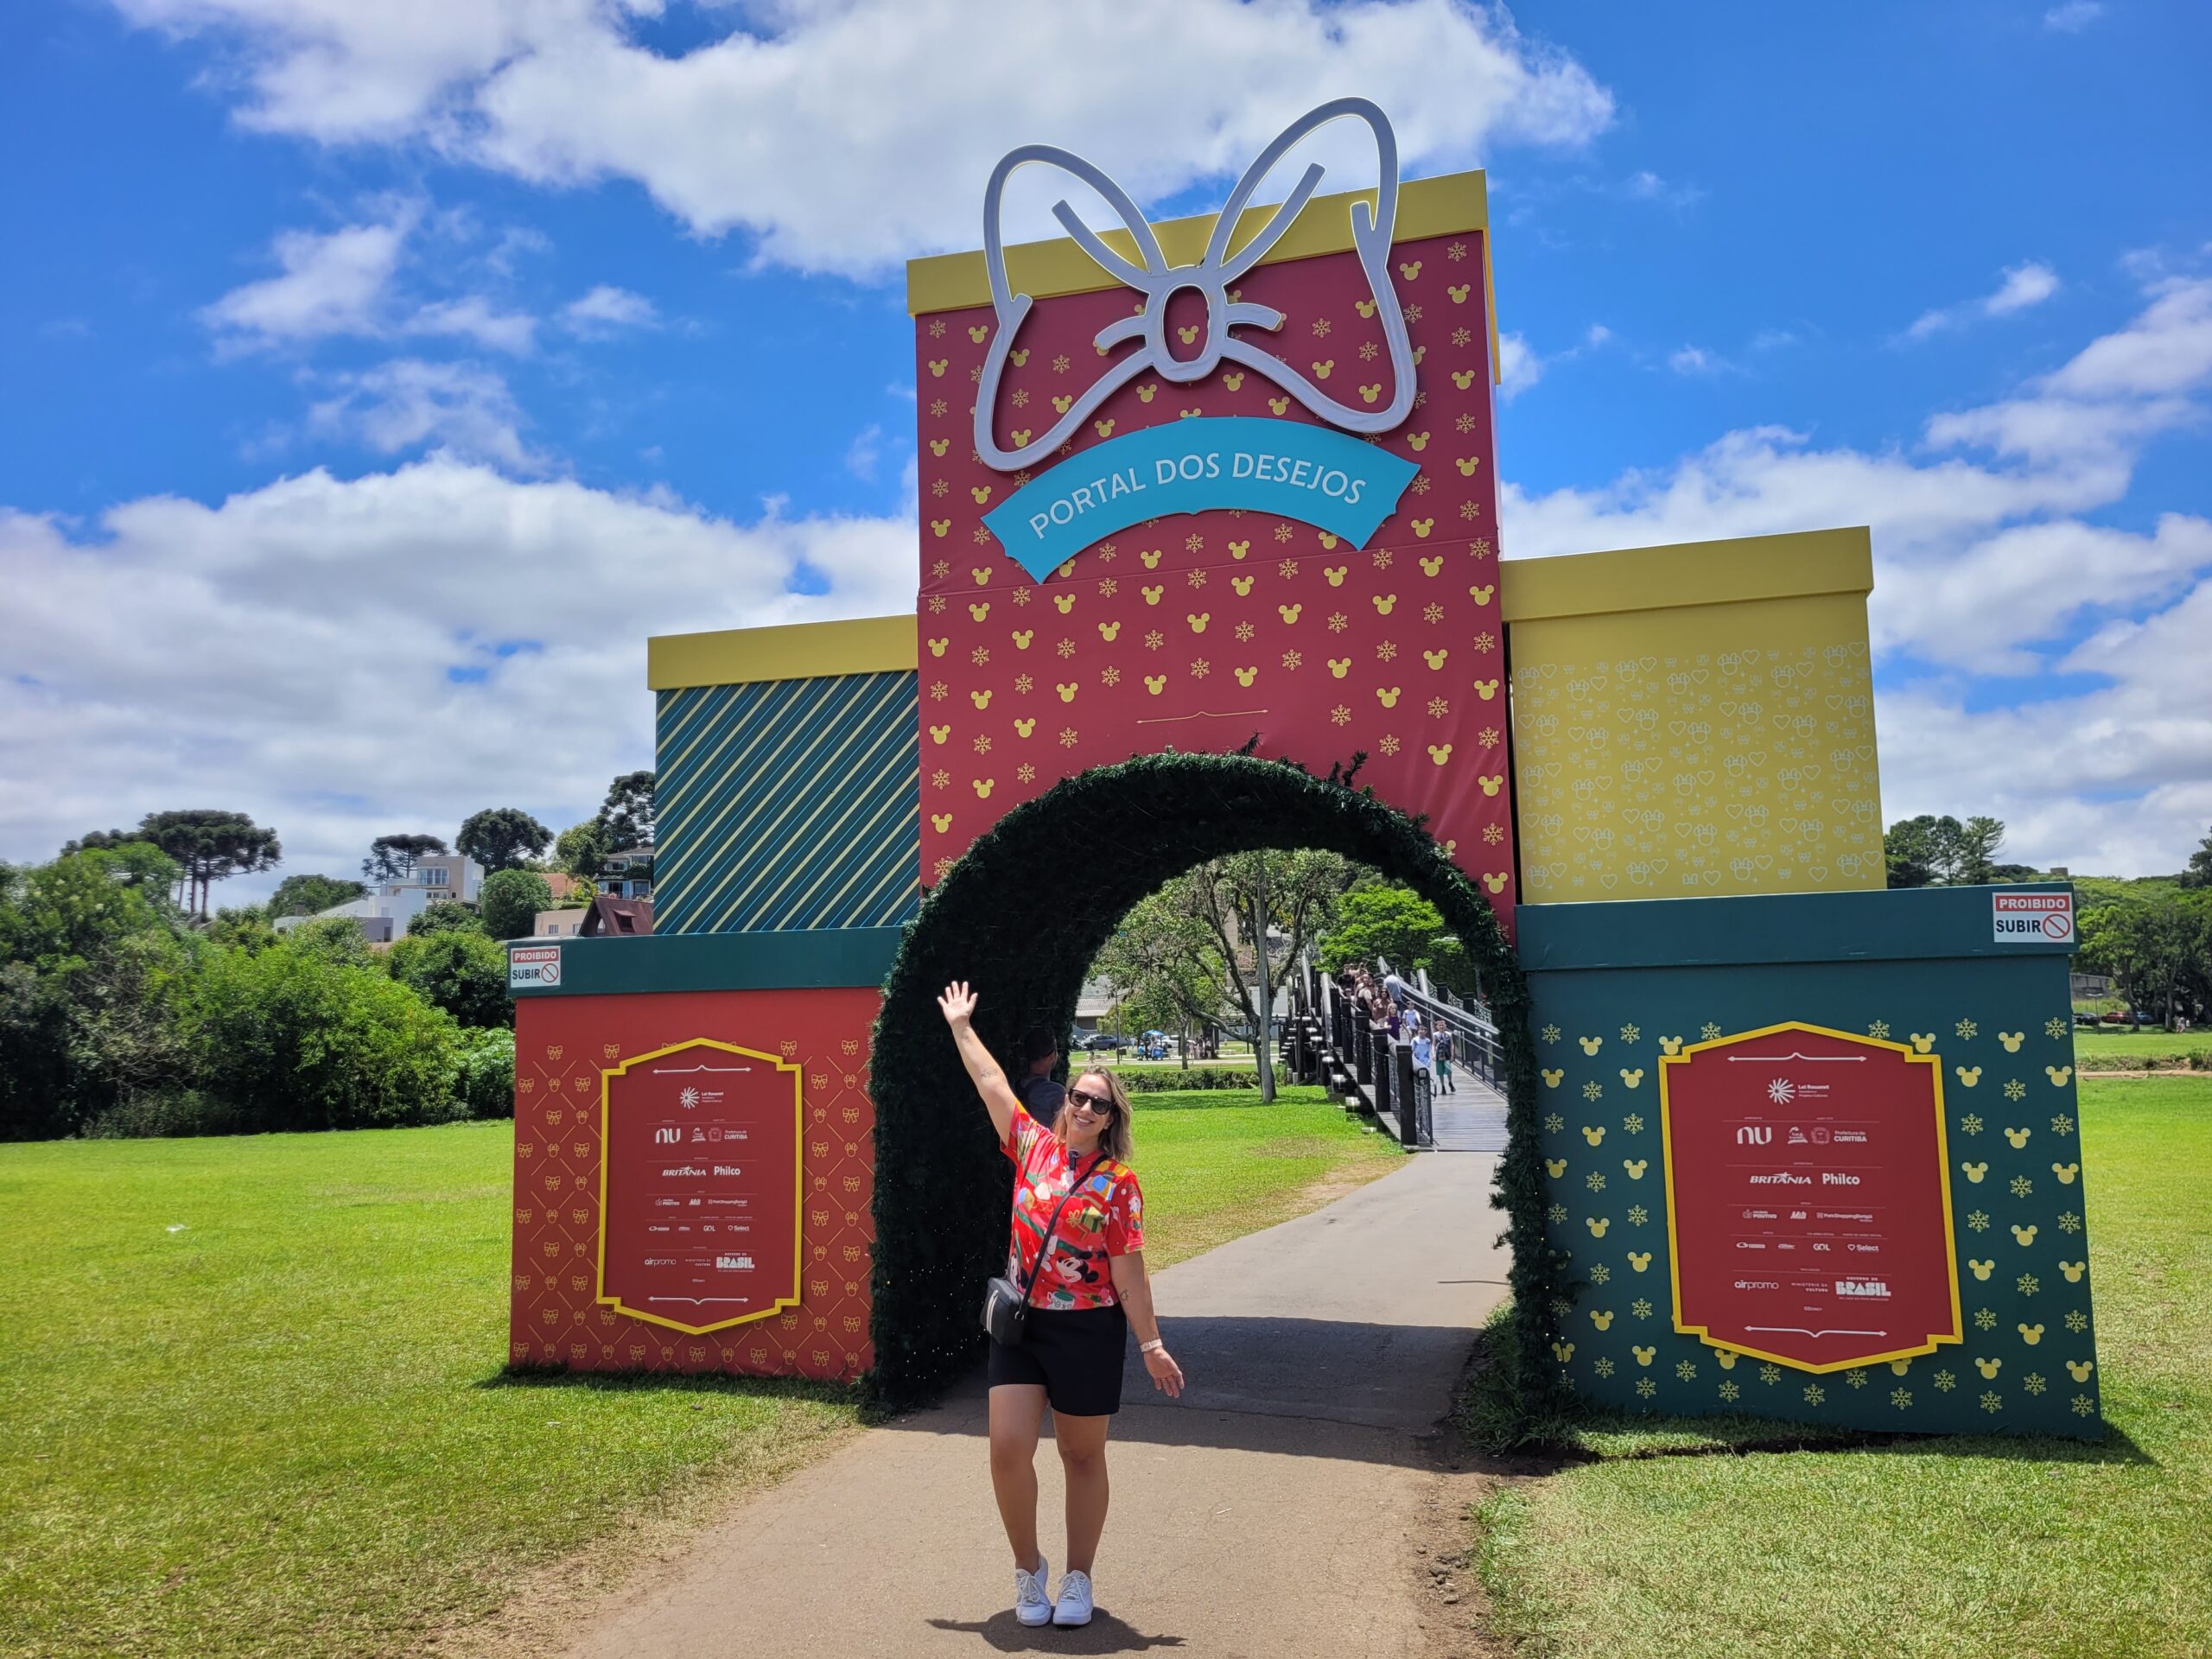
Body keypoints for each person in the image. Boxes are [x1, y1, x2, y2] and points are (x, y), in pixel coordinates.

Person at [938, 980, 1185, 1630]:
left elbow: (1128, 1269)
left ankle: (1079, 1577)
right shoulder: (1031, 1147)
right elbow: (993, 1083)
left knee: (1081, 1454)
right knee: (1006, 1448)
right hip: (1022, 1326)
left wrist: (1151, 1342)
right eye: (1078, 1095)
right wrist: (963, 1027)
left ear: (1111, 1119)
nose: (1082, 1107)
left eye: (1097, 1104)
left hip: (1087, 1331)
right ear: (1065, 1099)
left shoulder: (1117, 1185)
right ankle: (1029, 1570)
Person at [1014, 1025, 1065, 1129]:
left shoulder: (1011, 1087)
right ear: (1052, 1056)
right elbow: (1064, 1132)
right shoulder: (1057, 1093)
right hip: (1046, 1145)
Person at [1434, 1023, 1457, 1094]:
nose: (1441, 1026)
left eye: (1443, 1025)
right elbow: (1433, 1044)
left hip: (1447, 1054)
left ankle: (1450, 1082)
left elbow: (1452, 1044)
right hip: (1439, 1054)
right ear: (1437, 1027)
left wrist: (1452, 1054)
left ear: (1445, 1026)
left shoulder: (1449, 1034)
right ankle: (1443, 1086)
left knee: (1448, 1070)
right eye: (1440, 1025)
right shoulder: (1435, 1034)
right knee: (1440, 1071)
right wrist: (1433, 1054)